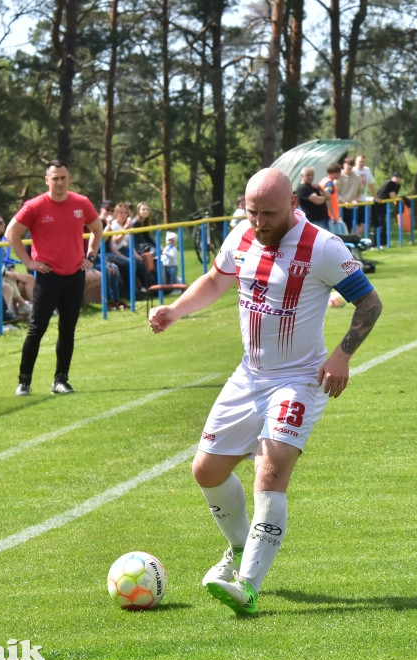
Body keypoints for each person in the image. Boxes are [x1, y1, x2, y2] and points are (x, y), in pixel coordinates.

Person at [148, 168, 382, 615]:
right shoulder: (241, 236)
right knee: (206, 471)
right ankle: (238, 549)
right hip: (248, 375)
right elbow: (217, 280)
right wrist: (176, 310)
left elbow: (369, 302)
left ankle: (249, 585)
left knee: (270, 470)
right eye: (252, 213)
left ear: (293, 203)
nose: (259, 223)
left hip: (297, 379)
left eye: (269, 214)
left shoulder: (324, 247)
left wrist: (342, 355)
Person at [5, 159, 103, 397]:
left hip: (74, 276)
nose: (59, 182)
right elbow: (11, 233)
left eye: (63, 178)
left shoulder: (81, 203)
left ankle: (61, 380)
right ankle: (24, 382)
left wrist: (91, 256)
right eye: (55, 178)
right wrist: (28, 262)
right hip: (48, 277)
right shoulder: (35, 205)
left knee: (67, 330)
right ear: (47, 180)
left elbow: (97, 229)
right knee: (36, 329)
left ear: (69, 179)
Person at [373, 171, 402, 249]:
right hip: (378, 205)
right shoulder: (391, 183)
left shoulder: (397, 185)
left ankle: (381, 244)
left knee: (382, 225)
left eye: (398, 178)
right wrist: (397, 200)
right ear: (392, 177)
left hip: (384, 205)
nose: (397, 179)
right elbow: (392, 196)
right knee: (380, 225)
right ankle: (376, 245)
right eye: (396, 177)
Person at [321, 162, 342, 233]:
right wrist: (333, 215)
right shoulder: (329, 183)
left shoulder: (323, 180)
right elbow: (328, 199)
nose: (340, 174)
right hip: (330, 216)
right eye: (339, 172)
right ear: (335, 173)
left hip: (325, 213)